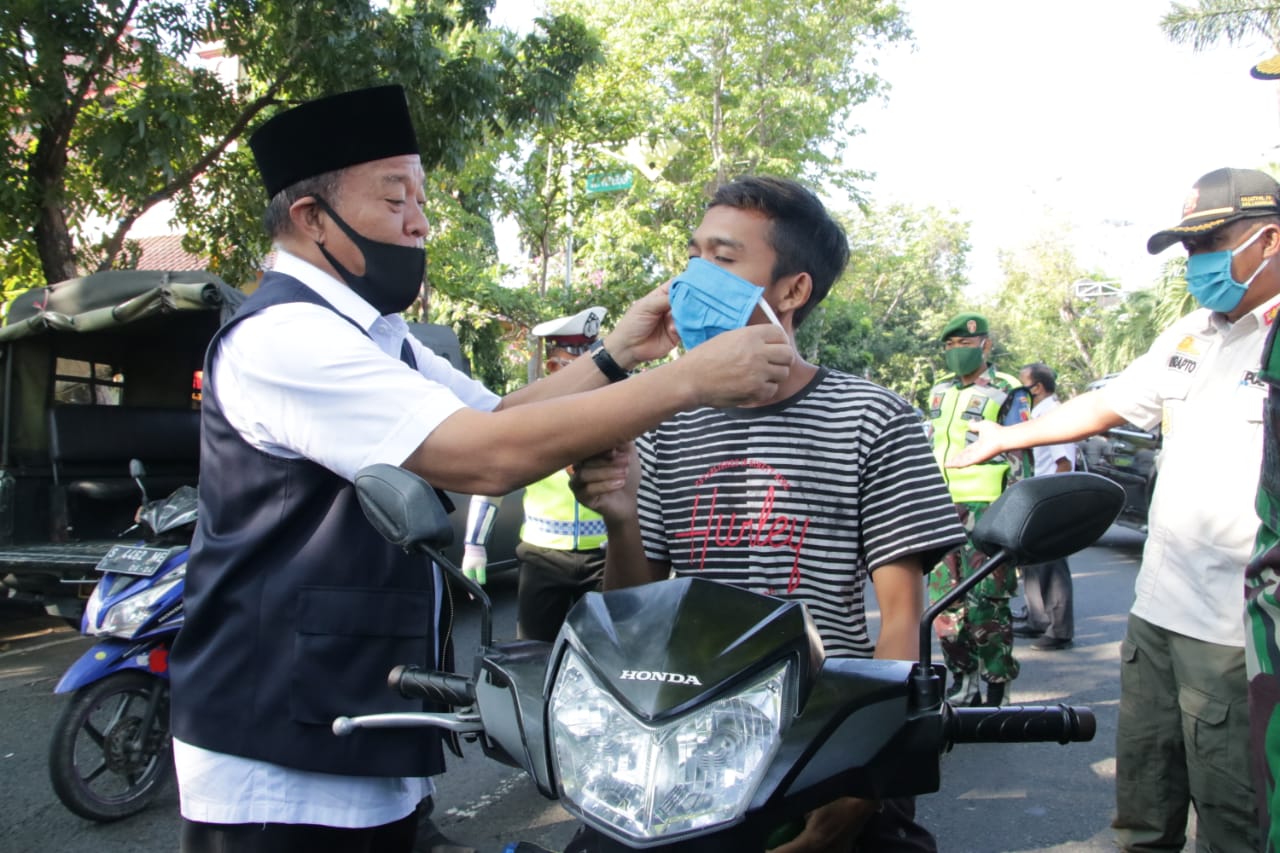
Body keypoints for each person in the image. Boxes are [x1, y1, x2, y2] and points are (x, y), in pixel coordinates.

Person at [166, 85, 796, 853]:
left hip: (346, 717)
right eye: (397, 198)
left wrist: (619, 353)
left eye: (421, 197)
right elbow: (484, 458)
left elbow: (499, 417)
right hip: (278, 756)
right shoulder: (286, 338)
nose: (421, 220)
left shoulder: (378, 333)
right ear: (309, 219)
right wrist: (688, 380)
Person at [571, 175, 966, 853]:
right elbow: (634, 616)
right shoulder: (665, 419)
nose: (692, 278)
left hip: (821, 738)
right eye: (691, 255)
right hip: (680, 743)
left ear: (793, 290)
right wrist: (621, 516)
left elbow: (901, 619)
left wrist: (861, 779)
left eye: (722, 259)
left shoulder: (873, 419)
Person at [950, 166, 1276, 852]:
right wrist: (1009, 434)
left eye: (1210, 243)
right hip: (1157, 615)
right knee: (1143, 810)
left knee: (1233, 817)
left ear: (1270, 239)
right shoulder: (1191, 334)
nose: (1196, 264)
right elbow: (1104, 405)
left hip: (1235, 630)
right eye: (1188, 249)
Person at [462, 306, 609, 641]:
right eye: (566, 366)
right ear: (551, 366)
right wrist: (474, 545)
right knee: (533, 653)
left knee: (604, 655)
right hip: (542, 555)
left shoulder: (612, 407)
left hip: (603, 554)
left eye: (590, 365)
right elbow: (493, 475)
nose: (580, 376)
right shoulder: (529, 411)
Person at [924, 313, 1032, 708]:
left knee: (986, 602)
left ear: (984, 345)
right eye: (950, 347)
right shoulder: (938, 391)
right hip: (940, 509)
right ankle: (962, 680)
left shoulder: (1009, 391)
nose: (957, 353)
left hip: (988, 511)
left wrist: (1018, 518)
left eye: (964, 346)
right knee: (944, 606)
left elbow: (1021, 457)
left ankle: (996, 685)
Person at [1011, 362, 1075, 652]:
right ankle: (1037, 618)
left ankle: (1059, 629)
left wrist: (1055, 503)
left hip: (1051, 497)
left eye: (1024, 385)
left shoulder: (1054, 415)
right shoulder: (1037, 414)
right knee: (1033, 562)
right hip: (1037, 495)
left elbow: (1064, 462)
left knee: (1052, 565)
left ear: (1037, 388)